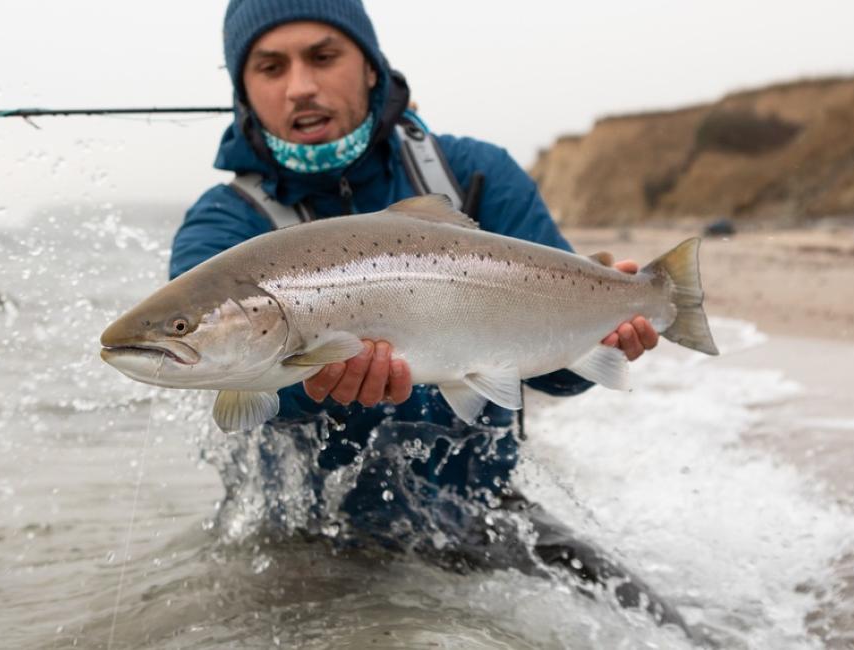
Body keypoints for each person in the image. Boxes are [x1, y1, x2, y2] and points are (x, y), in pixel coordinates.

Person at [171, 0, 698, 637]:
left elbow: (557, 380)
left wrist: (613, 326)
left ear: (370, 68)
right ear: (243, 90)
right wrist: (311, 388)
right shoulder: (222, 226)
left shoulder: (476, 176)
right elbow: (227, 384)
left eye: (324, 56)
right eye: (270, 66)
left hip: (484, 512)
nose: (301, 85)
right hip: (304, 540)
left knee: (668, 632)